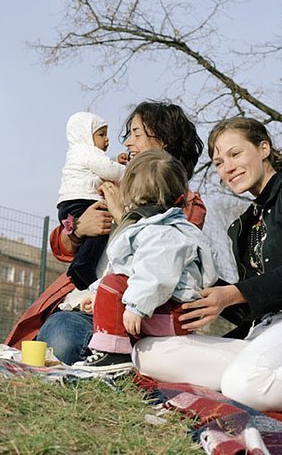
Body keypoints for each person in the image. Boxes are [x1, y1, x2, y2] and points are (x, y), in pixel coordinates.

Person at [133, 117, 282, 413]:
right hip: (263, 332)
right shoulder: (246, 224)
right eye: (218, 162)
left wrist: (231, 294)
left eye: (235, 154)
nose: (227, 167)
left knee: (243, 385)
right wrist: (195, 285)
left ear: (263, 148)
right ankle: (270, 377)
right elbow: (250, 304)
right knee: (148, 352)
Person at [5, 101, 206, 365]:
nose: (128, 144)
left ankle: (109, 362)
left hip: (135, 312)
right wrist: (77, 228)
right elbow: (60, 245)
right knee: (55, 333)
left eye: (137, 134)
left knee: (62, 338)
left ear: (165, 141)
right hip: (87, 297)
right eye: (129, 135)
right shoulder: (113, 182)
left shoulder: (186, 204)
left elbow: (161, 261)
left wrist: (122, 216)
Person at [72, 150, 217, 372]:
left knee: (114, 284)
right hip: (162, 306)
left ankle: (112, 354)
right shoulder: (154, 229)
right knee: (111, 285)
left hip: (174, 310)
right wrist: (97, 294)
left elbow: (156, 274)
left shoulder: (163, 233)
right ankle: (113, 350)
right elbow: (126, 268)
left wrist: (137, 307)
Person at [57, 111, 127, 291]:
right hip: (83, 202)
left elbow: (100, 166)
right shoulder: (87, 151)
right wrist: (127, 171)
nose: (107, 140)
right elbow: (107, 170)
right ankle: (83, 265)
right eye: (102, 135)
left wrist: (115, 161)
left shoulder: (78, 153)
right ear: (86, 135)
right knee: (100, 230)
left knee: (93, 238)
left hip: (67, 207)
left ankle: (81, 270)